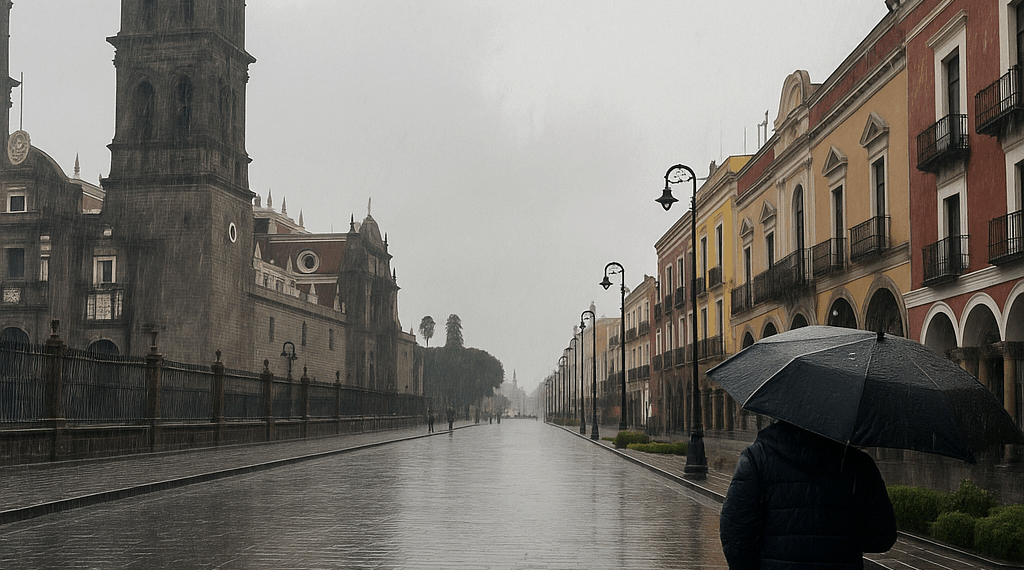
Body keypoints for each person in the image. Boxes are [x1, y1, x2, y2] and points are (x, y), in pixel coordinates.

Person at [720, 420, 897, 570]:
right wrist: (841, 542)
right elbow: (883, 536)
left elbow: (736, 535)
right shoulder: (860, 465)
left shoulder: (758, 458)